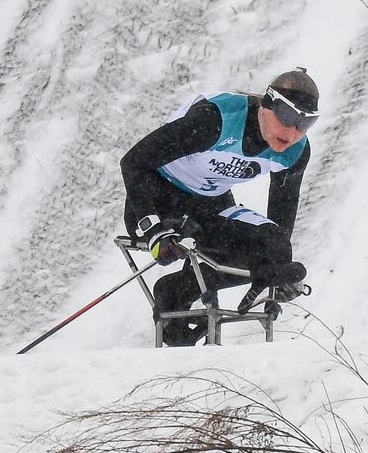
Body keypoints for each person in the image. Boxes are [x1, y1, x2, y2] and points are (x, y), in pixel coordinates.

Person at [121, 68, 318, 346]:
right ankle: (175, 296)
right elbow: (134, 162)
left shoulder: (295, 151)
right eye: (287, 117)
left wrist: (277, 266)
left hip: (210, 205)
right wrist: (153, 229)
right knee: (189, 230)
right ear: (266, 105)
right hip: (159, 196)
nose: (293, 131)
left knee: (276, 248)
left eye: (305, 123)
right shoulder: (216, 120)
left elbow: (282, 215)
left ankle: (176, 290)